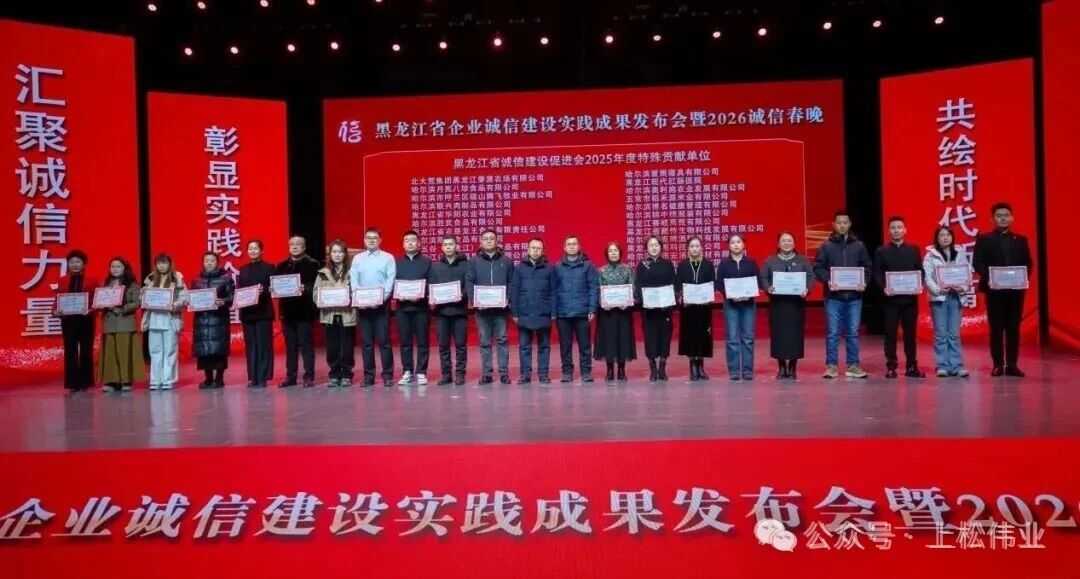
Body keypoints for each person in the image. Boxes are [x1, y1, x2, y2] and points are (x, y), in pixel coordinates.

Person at [972, 201, 1033, 377]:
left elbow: (1028, 263)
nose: (1003, 218)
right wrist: (992, 278)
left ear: (1012, 218)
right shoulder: (984, 239)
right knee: (996, 329)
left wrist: (1022, 279)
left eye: (1006, 215)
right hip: (994, 291)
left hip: (1015, 292)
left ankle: (1012, 365)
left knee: (1013, 328)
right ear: (992, 219)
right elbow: (977, 263)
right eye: (999, 216)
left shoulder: (1021, 240)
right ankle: (998, 365)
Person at [813, 210, 872, 379]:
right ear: (834, 224)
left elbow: (867, 267)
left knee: (853, 332)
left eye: (845, 223)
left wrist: (864, 282)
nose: (842, 226)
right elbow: (818, 267)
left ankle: (853, 365)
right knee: (833, 333)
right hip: (833, 297)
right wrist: (828, 280)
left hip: (854, 297)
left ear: (850, 224)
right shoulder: (826, 246)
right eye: (839, 223)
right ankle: (831, 366)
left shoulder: (859, 246)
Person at [873, 216, 927, 379]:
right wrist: (884, 288)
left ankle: (912, 366)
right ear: (889, 231)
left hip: (910, 300)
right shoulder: (881, 251)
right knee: (890, 334)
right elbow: (877, 273)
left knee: (910, 334)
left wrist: (919, 284)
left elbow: (920, 270)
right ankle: (891, 366)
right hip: (890, 300)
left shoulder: (913, 249)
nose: (896, 230)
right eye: (893, 228)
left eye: (899, 227)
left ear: (905, 230)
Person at [761, 232, 814, 379]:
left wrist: (807, 289)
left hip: (796, 305)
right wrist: (768, 287)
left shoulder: (803, 260)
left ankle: (793, 366)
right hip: (777, 305)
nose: (786, 243)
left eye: (789, 240)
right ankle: (782, 367)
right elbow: (763, 277)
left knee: (795, 336)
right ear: (778, 244)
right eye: (783, 241)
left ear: (794, 243)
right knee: (778, 336)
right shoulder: (770, 261)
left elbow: (811, 277)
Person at [349, 227, 397, 387]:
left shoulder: (388, 258)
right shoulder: (357, 259)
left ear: (380, 240)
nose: (371, 240)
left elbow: (390, 281)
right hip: (363, 306)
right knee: (367, 343)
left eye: (375, 238)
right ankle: (368, 376)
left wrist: (381, 299)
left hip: (381, 305)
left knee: (384, 341)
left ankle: (388, 375)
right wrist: (358, 297)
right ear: (364, 240)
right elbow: (354, 280)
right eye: (368, 237)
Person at [466, 229, 513, 385]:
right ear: (480, 242)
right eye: (485, 238)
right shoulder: (474, 261)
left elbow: (511, 282)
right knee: (485, 342)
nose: (488, 241)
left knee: (502, 340)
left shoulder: (506, 261)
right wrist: (474, 301)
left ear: (497, 241)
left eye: (491, 238)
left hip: (501, 310)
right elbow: (469, 282)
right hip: (482, 310)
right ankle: (487, 374)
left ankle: (504, 373)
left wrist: (508, 298)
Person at [923, 226, 970, 377]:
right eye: (942, 235)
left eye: (948, 235)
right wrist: (938, 290)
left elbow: (967, 272)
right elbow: (927, 278)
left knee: (954, 334)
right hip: (939, 298)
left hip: (955, 297)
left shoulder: (959, 253)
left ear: (952, 237)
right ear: (937, 238)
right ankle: (942, 365)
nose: (945, 238)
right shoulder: (930, 255)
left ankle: (956, 366)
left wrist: (963, 287)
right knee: (941, 333)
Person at [275, 236, 321, 388]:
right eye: (292, 244)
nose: (294, 247)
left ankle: (309, 376)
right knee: (290, 346)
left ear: (304, 247)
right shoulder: (281, 266)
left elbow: (317, 287)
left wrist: (305, 288)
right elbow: (276, 285)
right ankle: (291, 377)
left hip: (304, 311)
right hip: (287, 312)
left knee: (305, 344)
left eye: (298, 244)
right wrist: (273, 289)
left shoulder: (312, 264)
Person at [510, 238, 556, 384]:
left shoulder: (550, 268)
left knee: (544, 346)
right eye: (533, 248)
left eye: (538, 248)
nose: (535, 251)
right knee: (524, 346)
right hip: (524, 312)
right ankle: (525, 374)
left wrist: (553, 312)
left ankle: (543, 374)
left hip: (544, 312)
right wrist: (515, 312)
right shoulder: (519, 268)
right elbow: (514, 291)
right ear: (528, 249)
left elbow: (554, 291)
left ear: (543, 251)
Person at [554, 235, 599, 383]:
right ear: (564, 248)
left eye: (574, 244)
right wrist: (554, 311)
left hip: (582, 312)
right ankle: (567, 372)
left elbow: (593, 288)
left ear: (579, 247)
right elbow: (553, 290)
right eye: (569, 244)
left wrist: (592, 309)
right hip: (563, 312)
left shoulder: (588, 265)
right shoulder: (557, 266)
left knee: (585, 345)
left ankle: (586, 372)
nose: (572, 246)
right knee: (565, 346)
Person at [717, 234, 761, 381]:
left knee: (748, 338)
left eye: (738, 242)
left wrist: (750, 294)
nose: (736, 245)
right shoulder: (724, 264)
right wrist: (729, 295)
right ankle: (734, 370)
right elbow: (719, 283)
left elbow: (758, 281)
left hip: (748, 305)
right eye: (732, 242)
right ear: (728, 246)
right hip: (731, 305)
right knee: (732, 338)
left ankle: (747, 370)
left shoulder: (751, 263)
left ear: (743, 244)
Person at [96, 257, 144, 392]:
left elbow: (137, 302)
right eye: (113, 266)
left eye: (118, 266)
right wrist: (100, 305)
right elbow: (99, 300)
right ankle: (112, 381)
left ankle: (126, 381)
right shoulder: (105, 284)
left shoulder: (133, 284)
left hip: (125, 321)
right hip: (109, 322)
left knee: (125, 352)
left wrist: (123, 309)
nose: (115, 269)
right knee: (110, 353)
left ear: (125, 268)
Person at [141, 253, 187, 391]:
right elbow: (142, 298)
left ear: (170, 264)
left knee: (170, 350)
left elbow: (185, 299)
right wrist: (143, 295)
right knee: (155, 351)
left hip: (169, 319)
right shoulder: (150, 278)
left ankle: (168, 379)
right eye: (159, 263)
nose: (161, 266)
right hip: (154, 319)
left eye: (164, 263)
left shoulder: (177, 278)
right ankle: (155, 380)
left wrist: (175, 305)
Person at [635, 235, 677, 382]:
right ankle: (653, 367)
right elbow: (638, 285)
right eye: (651, 245)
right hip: (648, 310)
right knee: (650, 337)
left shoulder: (668, 264)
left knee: (665, 337)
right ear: (646, 248)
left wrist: (671, 299)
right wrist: (643, 300)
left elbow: (674, 283)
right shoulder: (642, 265)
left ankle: (662, 368)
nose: (654, 247)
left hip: (665, 308)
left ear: (661, 247)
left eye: (656, 245)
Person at [429, 235, 469, 386]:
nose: (448, 247)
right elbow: (431, 286)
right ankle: (446, 374)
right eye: (445, 244)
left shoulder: (466, 265)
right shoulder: (435, 266)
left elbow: (468, 285)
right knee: (443, 345)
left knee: (460, 345)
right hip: (442, 312)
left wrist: (461, 295)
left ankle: (460, 374)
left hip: (460, 312)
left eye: (451, 244)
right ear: (441, 247)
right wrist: (432, 296)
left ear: (456, 246)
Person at [315, 239, 356, 387]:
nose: (337, 255)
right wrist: (322, 299)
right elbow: (315, 294)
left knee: (347, 347)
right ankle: (334, 374)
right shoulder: (322, 273)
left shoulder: (352, 272)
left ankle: (346, 374)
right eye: (334, 252)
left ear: (345, 254)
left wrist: (349, 297)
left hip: (347, 314)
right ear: (330, 254)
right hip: (329, 315)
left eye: (340, 252)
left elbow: (356, 291)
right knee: (332, 347)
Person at [594, 242, 637, 383]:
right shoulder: (601, 271)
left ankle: (622, 369)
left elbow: (633, 288)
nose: (613, 253)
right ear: (607, 254)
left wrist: (629, 300)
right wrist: (602, 302)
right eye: (611, 251)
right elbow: (597, 290)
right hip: (607, 313)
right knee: (609, 340)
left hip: (623, 312)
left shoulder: (628, 269)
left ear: (620, 253)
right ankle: (610, 369)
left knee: (623, 339)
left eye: (616, 250)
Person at [191, 252, 235, 389]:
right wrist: (189, 302)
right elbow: (191, 299)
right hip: (202, 321)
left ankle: (219, 379)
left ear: (217, 262)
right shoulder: (196, 281)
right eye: (206, 261)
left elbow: (232, 297)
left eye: (212, 260)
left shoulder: (226, 279)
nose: (209, 263)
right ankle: (208, 379)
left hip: (219, 319)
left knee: (219, 350)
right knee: (204, 351)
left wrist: (223, 301)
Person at [55, 250, 97, 392]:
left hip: (86, 319)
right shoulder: (62, 280)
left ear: (84, 264)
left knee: (86, 350)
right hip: (68, 320)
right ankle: (72, 383)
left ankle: (85, 382)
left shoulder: (92, 280)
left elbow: (96, 300)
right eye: (71, 262)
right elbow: (57, 298)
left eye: (78, 262)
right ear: (68, 264)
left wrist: (91, 310)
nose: (74, 264)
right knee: (70, 351)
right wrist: (55, 311)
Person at [676, 236, 716, 381]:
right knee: (690, 336)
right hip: (688, 309)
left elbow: (712, 283)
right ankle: (692, 366)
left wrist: (708, 295)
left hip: (704, 308)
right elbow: (678, 284)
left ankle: (701, 366)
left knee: (703, 336)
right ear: (687, 248)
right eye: (691, 246)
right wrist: (681, 296)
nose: (694, 249)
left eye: (697, 246)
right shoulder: (682, 265)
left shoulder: (708, 264)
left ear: (701, 248)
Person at [395, 230, 432, 386]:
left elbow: (431, 283)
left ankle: (421, 371)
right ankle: (407, 371)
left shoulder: (427, 262)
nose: (410, 243)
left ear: (419, 243)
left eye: (413, 240)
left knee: (422, 341)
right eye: (407, 240)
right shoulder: (396, 263)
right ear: (403, 244)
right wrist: (398, 294)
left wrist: (422, 294)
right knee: (405, 342)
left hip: (421, 308)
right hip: (403, 308)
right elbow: (393, 283)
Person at [237, 239, 275, 388]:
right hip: (248, 313)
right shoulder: (243, 269)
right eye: (250, 248)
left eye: (255, 248)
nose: (252, 251)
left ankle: (263, 377)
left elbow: (273, 288)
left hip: (263, 311)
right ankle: (253, 377)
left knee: (263, 345)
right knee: (251, 346)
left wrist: (264, 290)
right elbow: (239, 290)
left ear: (261, 251)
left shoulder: (269, 268)